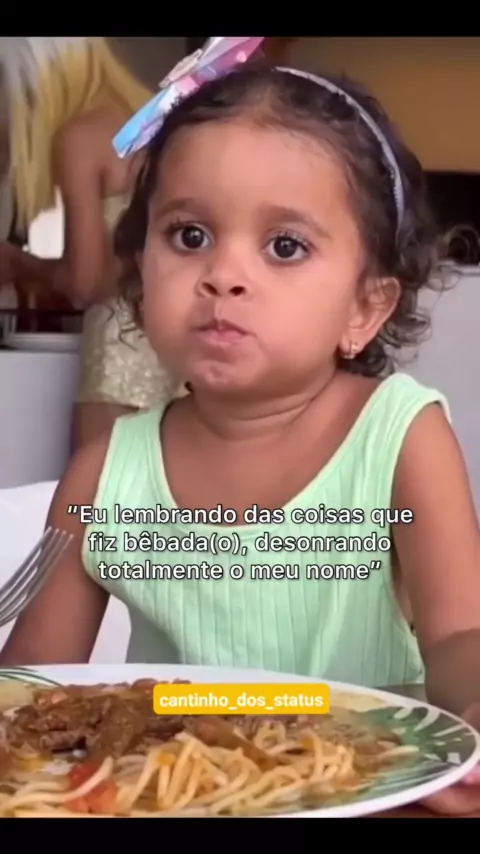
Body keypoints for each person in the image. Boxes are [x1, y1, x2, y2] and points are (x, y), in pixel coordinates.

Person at [2, 53, 480, 815]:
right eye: (188, 234)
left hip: (370, 790)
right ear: (140, 275)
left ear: (365, 308)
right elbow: (32, 688)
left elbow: (459, 638)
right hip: (162, 799)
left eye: (285, 246)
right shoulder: (104, 472)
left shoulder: (399, 437)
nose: (223, 274)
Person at [0, 37, 181, 449]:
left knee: (101, 484)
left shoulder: (80, 137)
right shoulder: (155, 129)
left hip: (120, 352)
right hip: (175, 347)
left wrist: (20, 264)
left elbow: (86, 283)